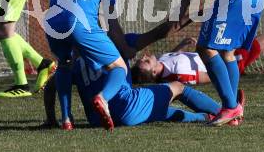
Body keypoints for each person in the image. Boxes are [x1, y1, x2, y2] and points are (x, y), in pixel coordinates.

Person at [45, 0, 136, 131]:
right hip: (79, 22)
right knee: (119, 68)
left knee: (64, 64)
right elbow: (110, 21)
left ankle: (66, 119)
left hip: (51, 24)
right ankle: (103, 98)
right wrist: (124, 47)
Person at [41, 54, 234, 130]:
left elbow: (51, 86)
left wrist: (52, 119)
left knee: (163, 113)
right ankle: (225, 112)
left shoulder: (73, 61)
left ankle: (205, 117)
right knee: (178, 87)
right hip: (127, 107)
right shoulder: (109, 45)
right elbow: (152, 36)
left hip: (98, 120)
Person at [130, 34, 264, 84]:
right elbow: (210, 77)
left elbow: (171, 57)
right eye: (146, 62)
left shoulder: (163, 64)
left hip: (221, 54)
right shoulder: (180, 75)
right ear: (154, 72)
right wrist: (230, 68)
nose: (146, 56)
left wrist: (180, 47)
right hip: (230, 62)